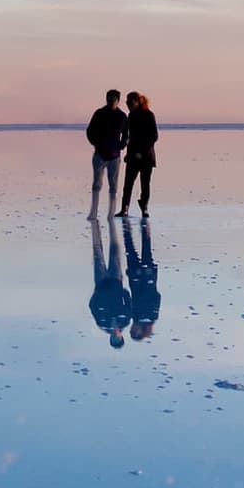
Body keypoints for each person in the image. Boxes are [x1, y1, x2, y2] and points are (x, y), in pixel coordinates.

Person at [85, 88, 129, 220]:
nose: (110, 102)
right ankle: (93, 211)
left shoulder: (122, 116)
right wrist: (96, 144)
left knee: (113, 185)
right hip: (100, 154)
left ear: (118, 101)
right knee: (96, 183)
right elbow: (89, 130)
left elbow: (126, 135)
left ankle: (111, 212)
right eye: (108, 99)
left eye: (113, 99)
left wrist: (120, 147)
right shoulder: (99, 113)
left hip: (114, 156)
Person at [88, 217, 130, 350]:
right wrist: (122, 291)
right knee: (115, 251)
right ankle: (111, 225)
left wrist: (97, 294)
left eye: (114, 338)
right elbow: (129, 301)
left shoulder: (102, 323)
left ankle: (95, 226)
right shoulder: (125, 320)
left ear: (111, 337)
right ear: (122, 336)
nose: (115, 335)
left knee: (97, 253)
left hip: (101, 283)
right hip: (116, 280)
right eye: (118, 338)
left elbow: (92, 306)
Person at [120, 91, 158, 216]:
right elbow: (131, 137)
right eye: (127, 103)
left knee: (145, 183)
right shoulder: (131, 116)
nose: (128, 105)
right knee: (128, 184)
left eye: (131, 102)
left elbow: (154, 136)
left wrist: (141, 152)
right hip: (133, 156)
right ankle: (124, 208)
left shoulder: (149, 115)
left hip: (146, 156)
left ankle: (144, 207)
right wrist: (129, 153)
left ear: (138, 102)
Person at [123, 216, 160, 341]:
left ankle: (130, 227)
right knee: (142, 250)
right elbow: (156, 297)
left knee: (133, 249)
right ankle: (141, 226)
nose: (132, 328)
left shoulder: (136, 316)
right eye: (134, 331)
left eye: (132, 330)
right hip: (144, 278)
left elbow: (129, 299)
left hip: (139, 279)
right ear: (140, 331)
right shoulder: (150, 317)